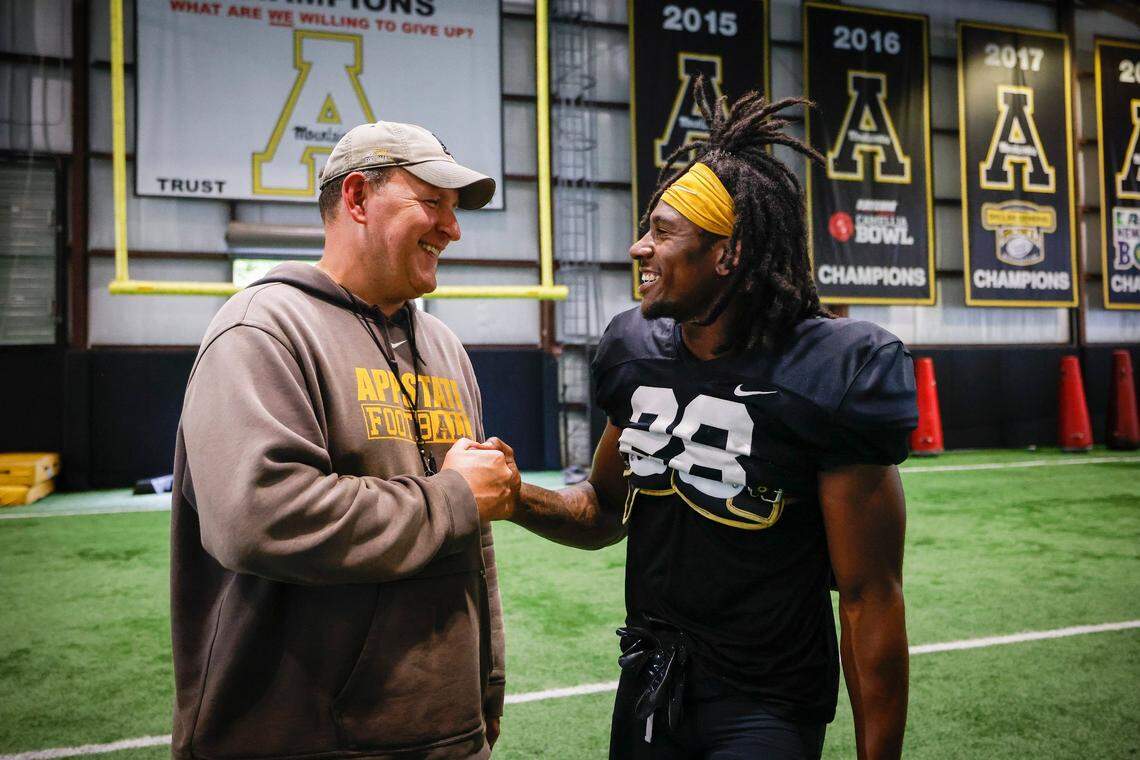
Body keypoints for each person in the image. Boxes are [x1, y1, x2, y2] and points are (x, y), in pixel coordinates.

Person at [481, 85, 917, 758]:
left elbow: (867, 596)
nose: (637, 248)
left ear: (729, 253)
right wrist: (516, 497)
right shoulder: (633, 349)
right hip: (652, 681)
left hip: (767, 702)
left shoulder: (829, 368)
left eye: (662, 231)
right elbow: (604, 509)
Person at [170, 120, 519, 760]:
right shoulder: (262, 330)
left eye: (456, 209)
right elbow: (260, 518)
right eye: (432, 202)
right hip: (299, 739)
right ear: (356, 199)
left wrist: (483, 687)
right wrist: (452, 497)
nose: (454, 228)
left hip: (445, 736)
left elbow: (474, 545)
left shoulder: (444, 347)